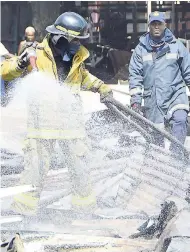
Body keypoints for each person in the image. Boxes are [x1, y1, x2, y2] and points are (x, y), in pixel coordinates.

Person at [1, 12, 113, 216]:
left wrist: (99, 87)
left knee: (80, 168)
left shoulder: (77, 56)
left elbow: (82, 76)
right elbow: (5, 71)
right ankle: (23, 212)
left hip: (71, 124)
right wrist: (20, 63)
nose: (78, 43)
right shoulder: (36, 53)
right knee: (35, 170)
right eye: (75, 39)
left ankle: (84, 210)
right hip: (42, 125)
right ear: (61, 38)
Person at [129, 11, 190, 153]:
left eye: (159, 24)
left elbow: (188, 71)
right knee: (156, 134)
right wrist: (135, 101)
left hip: (175, 94)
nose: (156, 27)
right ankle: (158, 164)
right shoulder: (140, 49)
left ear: (165, 25)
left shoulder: (177, 46)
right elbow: (135, 75)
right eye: (153, 24)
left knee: (180, 120)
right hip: (153, 98)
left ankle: (176, 158)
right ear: (149, 26)